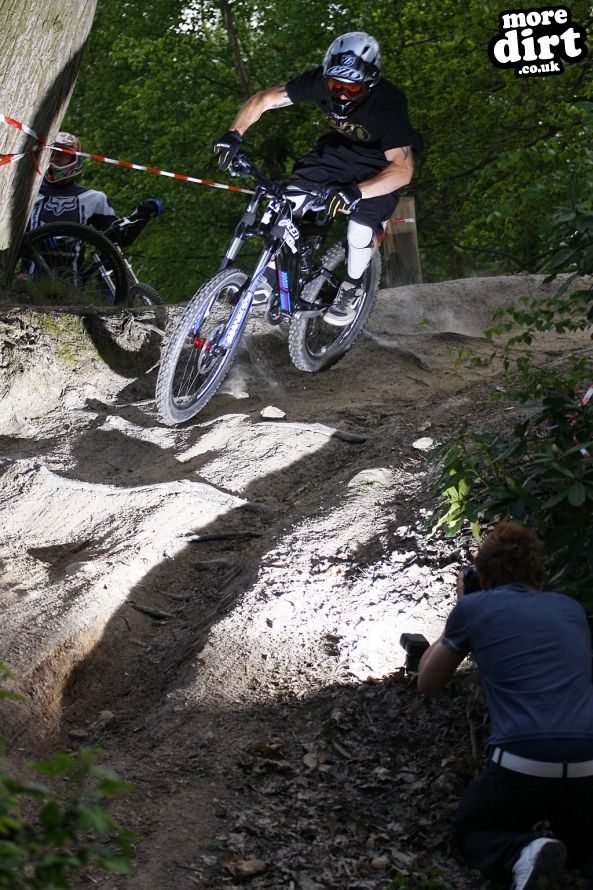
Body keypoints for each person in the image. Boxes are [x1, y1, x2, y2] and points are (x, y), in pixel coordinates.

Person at [417, 522, 593, 890]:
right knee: (582, 847)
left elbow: (428, 683)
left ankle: (523, 852)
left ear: (483, 577)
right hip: (585, 762)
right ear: (538, 574)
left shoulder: (475, 608)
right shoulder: (570, 608)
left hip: (521, 761)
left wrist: (461, 610)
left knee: (474, 829)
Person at [213, 32, 420, 327]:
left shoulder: (389, 103)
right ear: (327, 76)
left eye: (354, 88)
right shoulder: (317, 81)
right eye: (336, 85)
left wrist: (356, 193)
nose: (343, 94)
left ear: (371, 83)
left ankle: (352, 286)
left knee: (360, 228)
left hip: (381, 166)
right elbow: (265, 99)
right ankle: (270, 275)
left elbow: (403, 169)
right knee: (284, 202)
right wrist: (234, 134)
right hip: (339, 153)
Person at [29, 131, 163, 247]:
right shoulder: (30, 194)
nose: (54, 159)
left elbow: (120, 237)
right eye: (51, 154)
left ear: (75, 160)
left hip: (70, 275)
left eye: (61, 154)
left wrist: (143, 213)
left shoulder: (93, 198)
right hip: (28, 273)